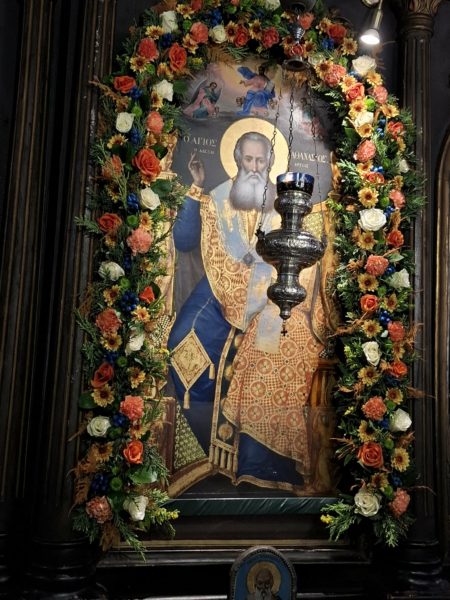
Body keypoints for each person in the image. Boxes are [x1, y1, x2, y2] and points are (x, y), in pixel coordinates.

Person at [168, 130, 330, 493]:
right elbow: (185, 241)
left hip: (270, 292)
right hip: (220, 284)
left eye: (261, 161)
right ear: (237, 160)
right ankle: (201, 452)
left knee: (270, 347)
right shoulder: (219, 198)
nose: (254, 167)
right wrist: (195, 190)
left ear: (271, 163)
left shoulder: (286, 206)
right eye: (248, 160)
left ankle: (251, 456)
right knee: (181, 342)